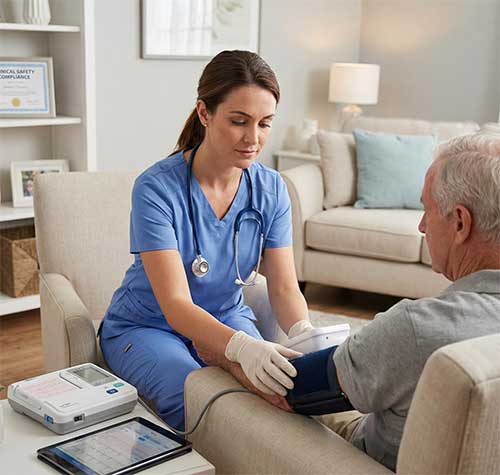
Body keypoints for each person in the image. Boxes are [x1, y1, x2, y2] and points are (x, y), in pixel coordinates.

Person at [99, 50, 314, 430]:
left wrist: (305, 335)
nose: (254, 138)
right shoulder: (156, 189)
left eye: (265, 124)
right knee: (202, 402)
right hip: (148, 326)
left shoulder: (271, 189)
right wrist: (240, 349)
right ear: (204, 113)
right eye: (239, 121)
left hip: (227, 316)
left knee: (280, 392)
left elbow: (282, 286)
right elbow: (176, 305)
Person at [313, 134, 500, 470]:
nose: (422, 225)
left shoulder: (417, 329)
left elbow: (289, 389)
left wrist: (234, 348)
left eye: (427, 209)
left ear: (460, 222)